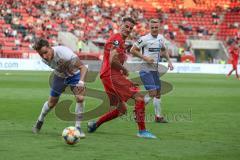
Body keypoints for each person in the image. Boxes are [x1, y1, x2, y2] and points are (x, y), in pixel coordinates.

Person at [87, 17, 157, 139]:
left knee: (121, 109)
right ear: (121, 25)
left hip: (107, 76)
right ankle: (142, 131)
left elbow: (113, 60)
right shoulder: (117, 39)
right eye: (126, 26)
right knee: (139, 97)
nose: (128, 29)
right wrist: (124, 70)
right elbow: (112, 60)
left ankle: (95, 124)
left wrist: (122, 73)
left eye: (130, 28)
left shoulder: (120, 41)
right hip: (111, 75)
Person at [32, 38, 88, 138]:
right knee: (51, 103)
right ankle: (40, 120)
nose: (44, 56)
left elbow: (83, 67)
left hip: (74, 76)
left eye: (45, 52)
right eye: (41, 54)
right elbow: (58, 68)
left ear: (50, 47)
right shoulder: (44, 59)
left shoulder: (64, 53)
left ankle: (78, 128)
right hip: (60, 76)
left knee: (80, 98)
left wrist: (81, 81)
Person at [130, 19, 174, 123]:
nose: (154, 29)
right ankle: (137, 109)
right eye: (152, 27)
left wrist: (169, 61)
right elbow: (132, 50)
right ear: (150, 28)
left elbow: (163, 49)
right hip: (145, 69)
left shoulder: (161, 38)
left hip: (154, 69)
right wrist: (145, 58)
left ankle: (158, 117)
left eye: (156, 27)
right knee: (153, 92)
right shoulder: (144, 39)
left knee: (158, 93)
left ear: (159, 28)